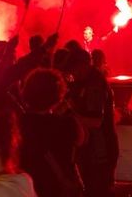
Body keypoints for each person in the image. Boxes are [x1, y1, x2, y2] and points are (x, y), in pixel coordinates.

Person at [19, 68, 84, 197]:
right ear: (57, 94)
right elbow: (81, 139)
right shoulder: (65, 123)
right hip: (59, 187)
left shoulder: (19, 122)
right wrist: (69, 111)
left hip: (27, 187)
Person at [67, 49, 118, 197]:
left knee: (98, 191)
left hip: (100, 151)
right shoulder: (82, 82)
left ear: (83, 65)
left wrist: (70, 114)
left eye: (74, 70)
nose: (73, 74)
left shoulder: (94, 84)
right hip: (92, 150)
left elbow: (95, 121)